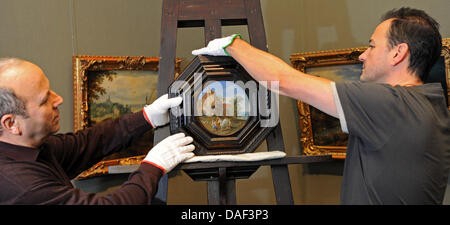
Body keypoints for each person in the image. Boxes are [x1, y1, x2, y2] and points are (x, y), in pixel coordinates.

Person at [193, 7, 450, 204]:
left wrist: (233, 44)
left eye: (372, 46)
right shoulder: (430, 106)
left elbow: (284, 81)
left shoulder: (391, 106)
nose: (363, 54)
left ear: (398, 53)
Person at [0, 57, 195, 204]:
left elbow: (90, 142)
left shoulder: (30, 148)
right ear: (11, 124)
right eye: (44, 100)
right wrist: (153, 166)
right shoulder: (21, 185)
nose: (58, 99)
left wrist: (148, 116)